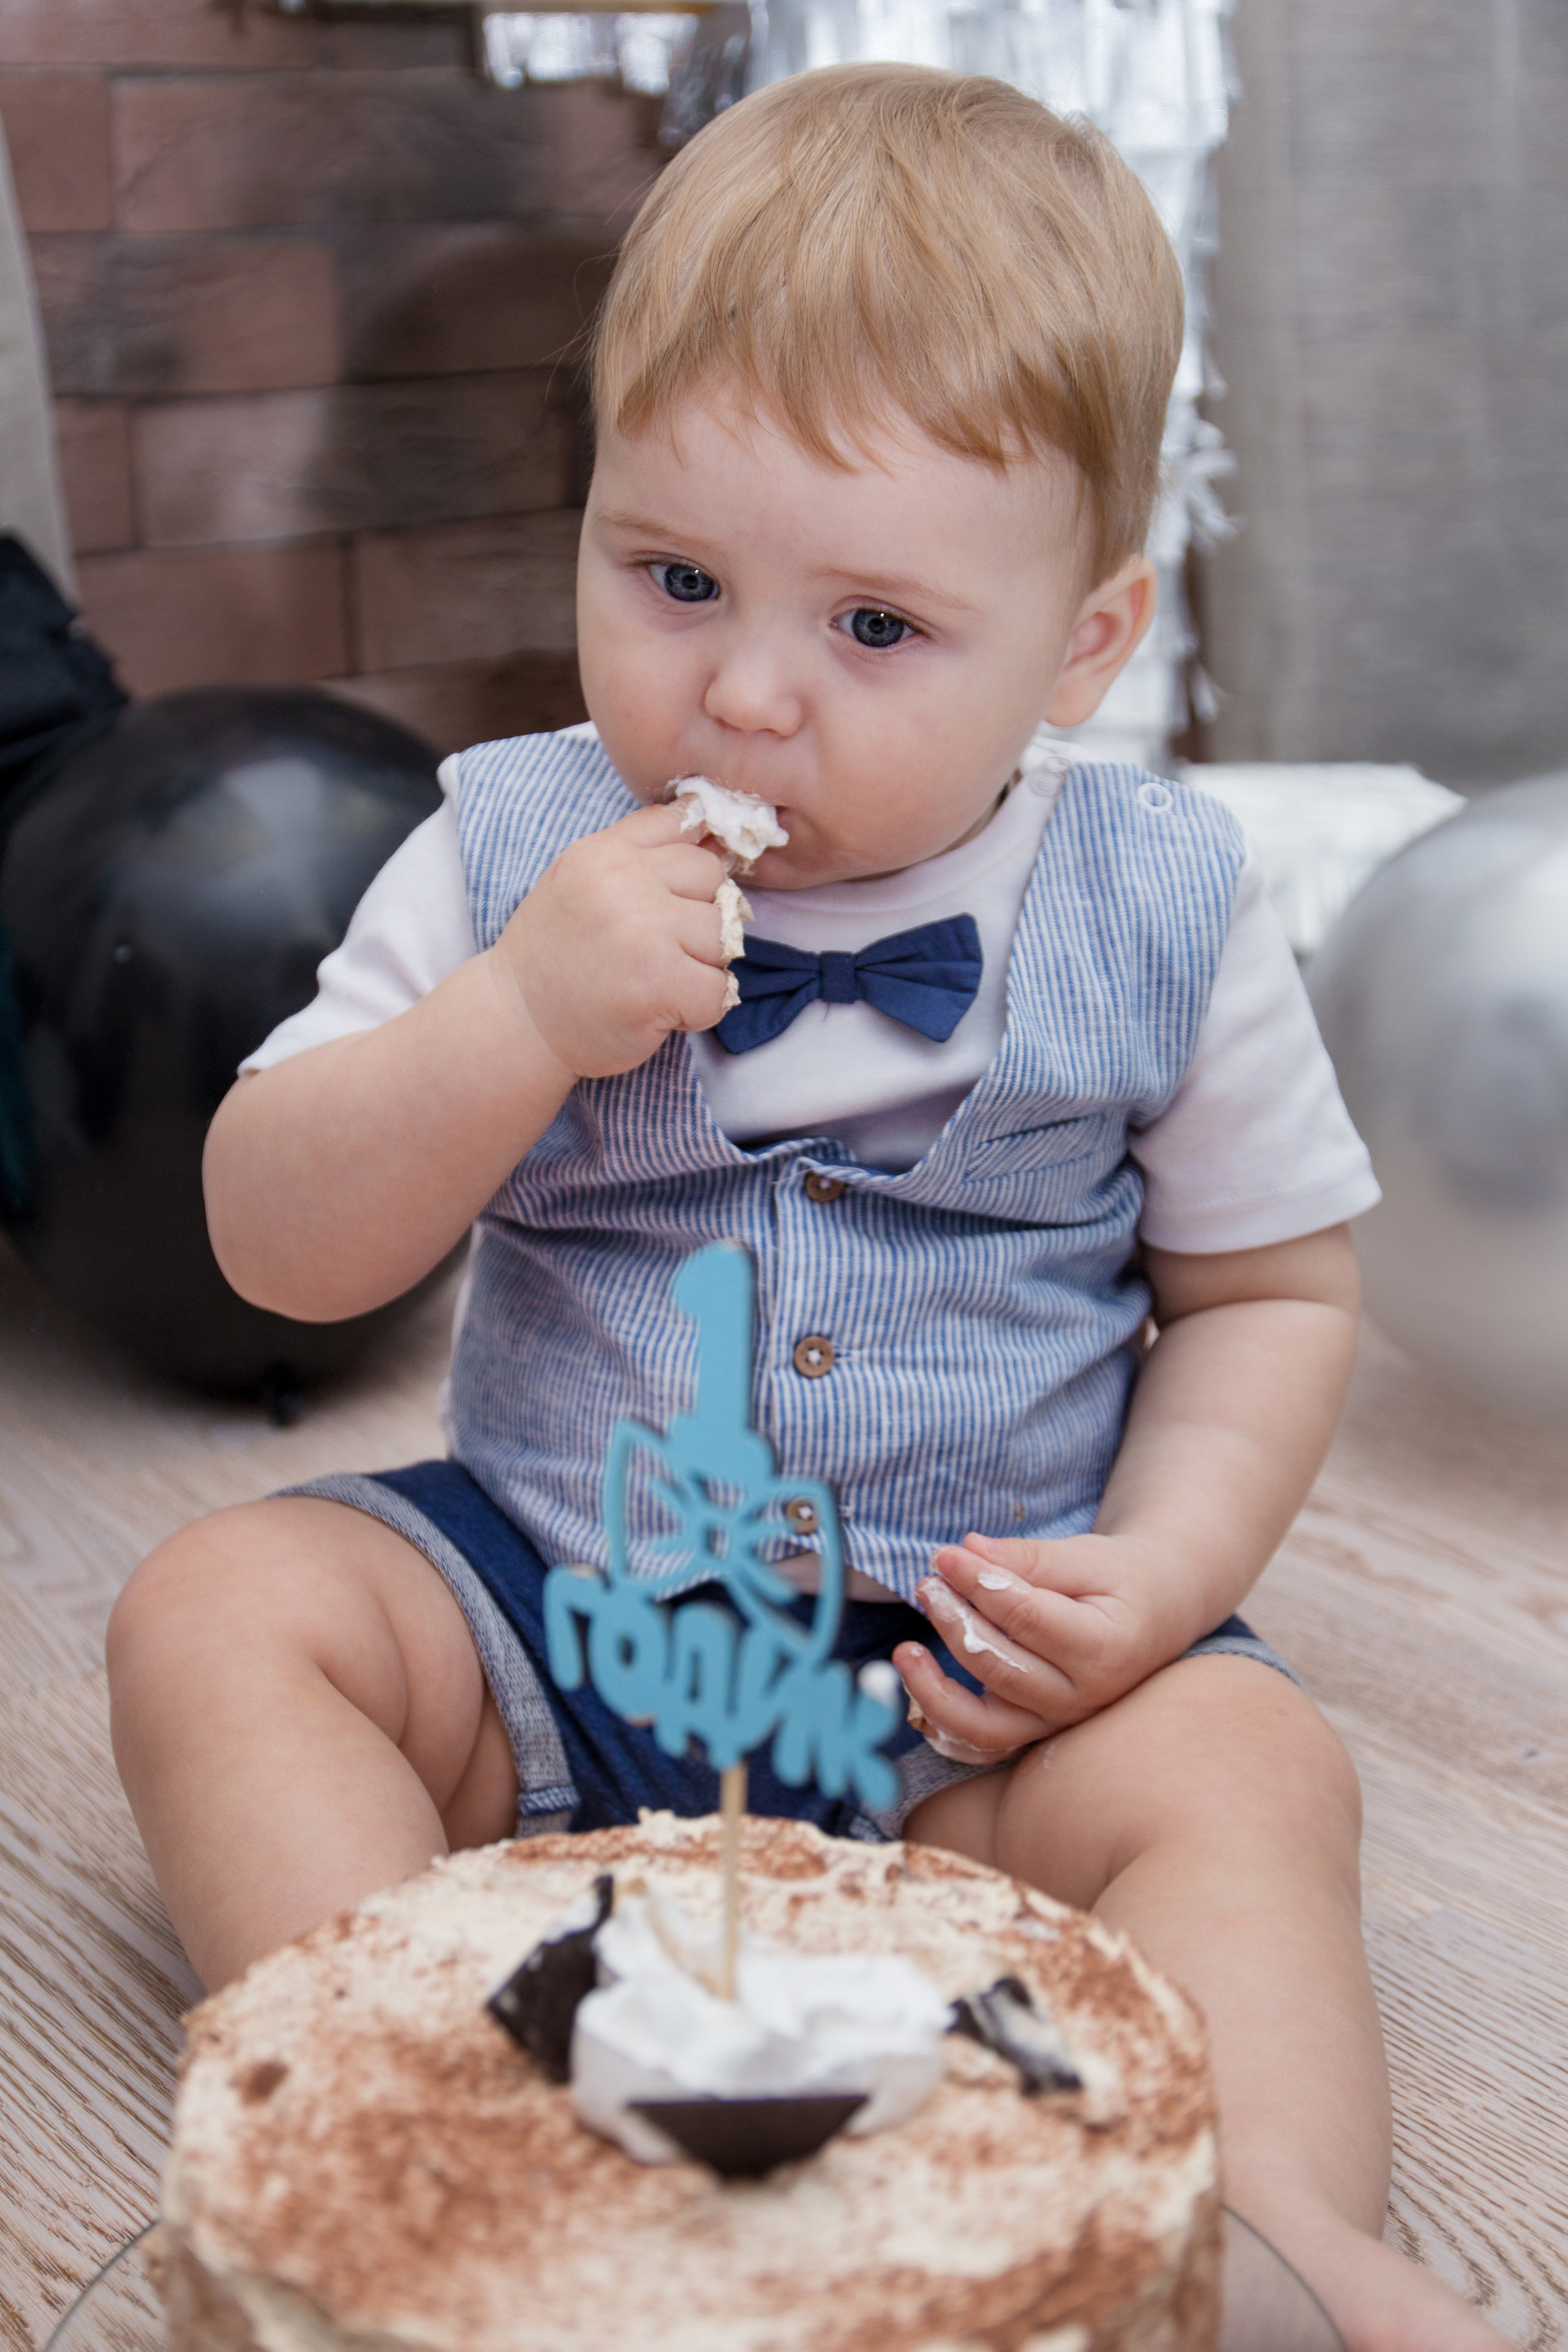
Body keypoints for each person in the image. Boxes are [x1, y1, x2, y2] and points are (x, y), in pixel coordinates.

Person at [107, 63, 1507, 2351]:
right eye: (672, 579)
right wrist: (508, 1023)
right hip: (558, 1640)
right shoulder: (506, 845)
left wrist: (1164, 1574)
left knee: (1251, 1769)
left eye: (873, 628)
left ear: (1083, 644)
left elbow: (1267, 1295)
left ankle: (1257, 2231)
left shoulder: (1162, 898)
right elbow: (277, 1239)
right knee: (219, 1610)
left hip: (971, 1709)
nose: (742, 694)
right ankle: (422, 2114)